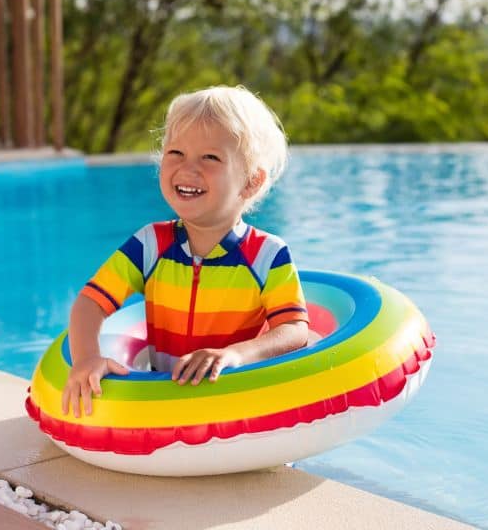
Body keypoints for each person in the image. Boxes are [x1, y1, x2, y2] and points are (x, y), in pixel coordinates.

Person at [62, 85, 309, 418]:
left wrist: (235, 354)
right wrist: (87, 359)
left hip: (237, 402)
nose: (188, 169)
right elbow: (90, 303)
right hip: (164, 400)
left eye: (210, 157)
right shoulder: (149, 245)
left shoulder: (267, 255)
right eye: (175, 153)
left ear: (251, 181)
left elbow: (294, 330)